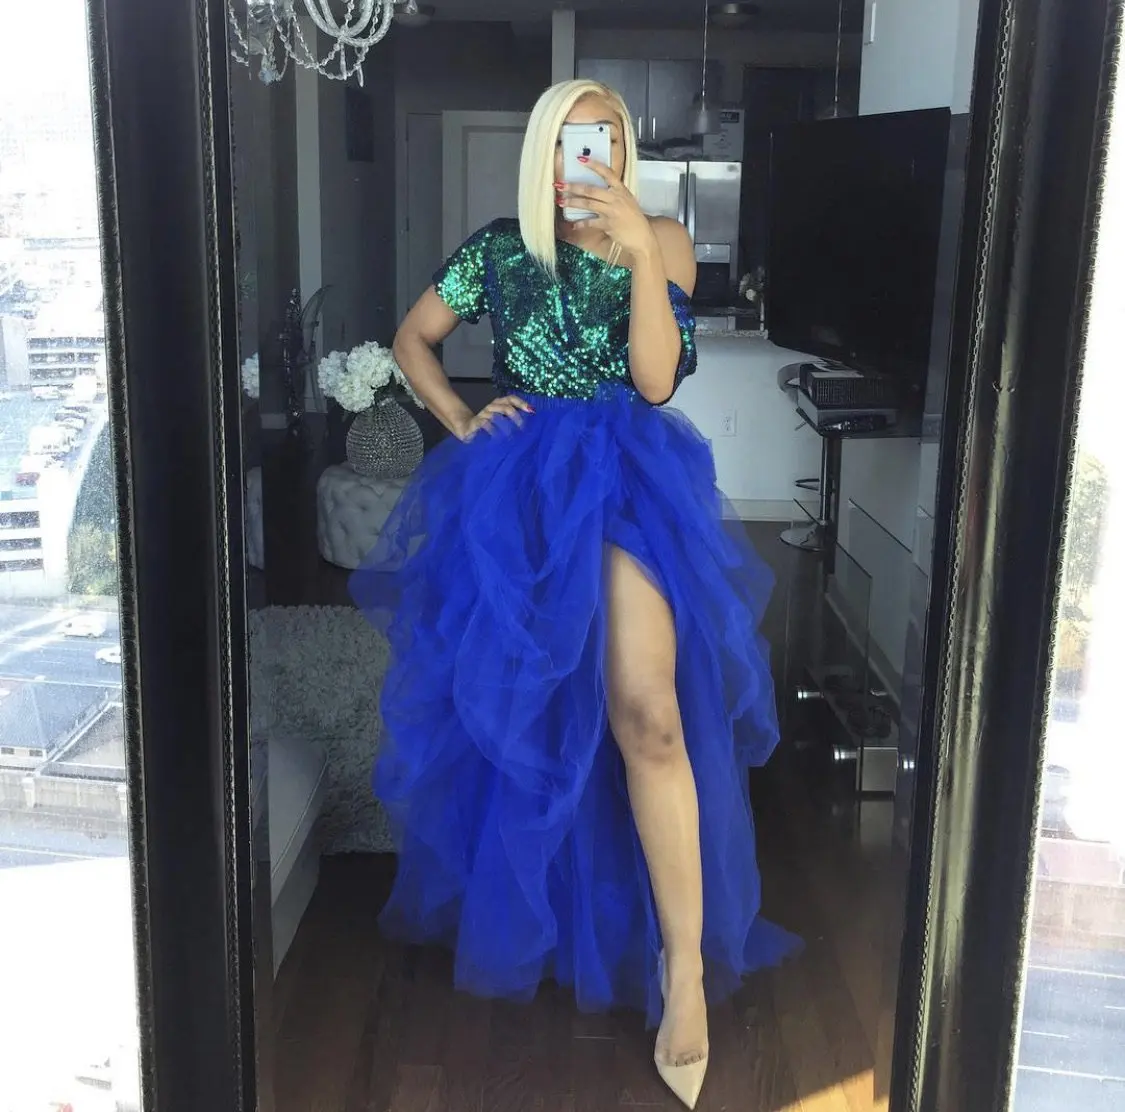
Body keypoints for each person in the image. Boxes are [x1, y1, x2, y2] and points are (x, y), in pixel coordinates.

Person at [350, 79, 799, 1109]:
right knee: (538, 717)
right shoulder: (500, 249)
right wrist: (460, 416)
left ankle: (682, 970)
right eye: (566, 140)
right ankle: (568, 911)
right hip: (520, 489)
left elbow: (655, 380)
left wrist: (639, 249)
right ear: (542, 153)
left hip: (631, 479)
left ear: (622, 149)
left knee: (648, 712)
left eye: (602, 137)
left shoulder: (664, 240)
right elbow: (411, 338)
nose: (583, 158)